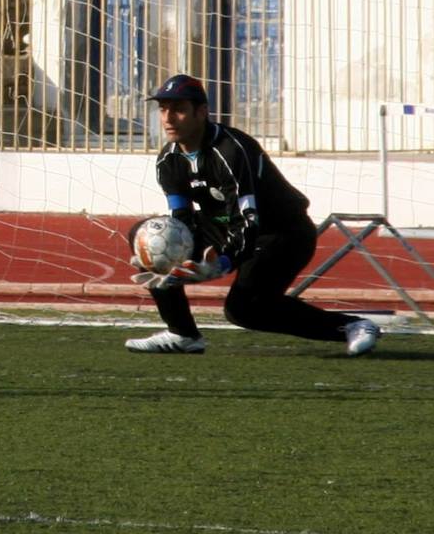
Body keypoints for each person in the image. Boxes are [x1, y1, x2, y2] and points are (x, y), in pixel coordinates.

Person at [124, 74, 380, 356]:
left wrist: (222, 263)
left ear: (201, 112)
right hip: (226, 226)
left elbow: (248, 221)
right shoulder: (168, 160)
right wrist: (171, 257)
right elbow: (181, 219)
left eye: (179, 109)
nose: (168, 118)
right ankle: (182, 333)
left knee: (244, 309)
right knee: (147, 237)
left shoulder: (230, 150)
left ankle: (352, 326)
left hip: (281, 233)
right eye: (163, 109)